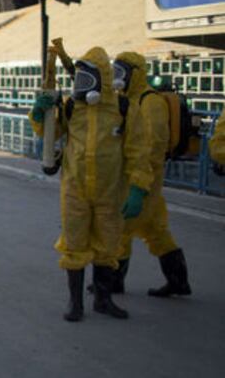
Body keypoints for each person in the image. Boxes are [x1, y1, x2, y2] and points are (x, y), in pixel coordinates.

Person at [30, 46, 151, 322]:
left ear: (103, 79)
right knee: (74, 243)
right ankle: (75, 303)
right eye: (78, 80)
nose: (80, 87)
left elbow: (138, 151)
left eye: (86, 80)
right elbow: (49, 131)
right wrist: (39, 113)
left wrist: (137, 188)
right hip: (75, 188)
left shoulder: (123, 109)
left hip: (111, 190)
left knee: (108, 244)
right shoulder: (72, 107)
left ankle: (103, 299)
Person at [110, 52, 191, 297]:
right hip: (141, 177)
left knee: (122, 228)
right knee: (155, 230)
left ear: (135, 74)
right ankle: (178, 281)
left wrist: (139, 182)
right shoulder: (128, 100)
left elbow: (153, 145)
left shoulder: (150, 102)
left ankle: (113, 282)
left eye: (121, 73)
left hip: (144, 178)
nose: (117, 79)